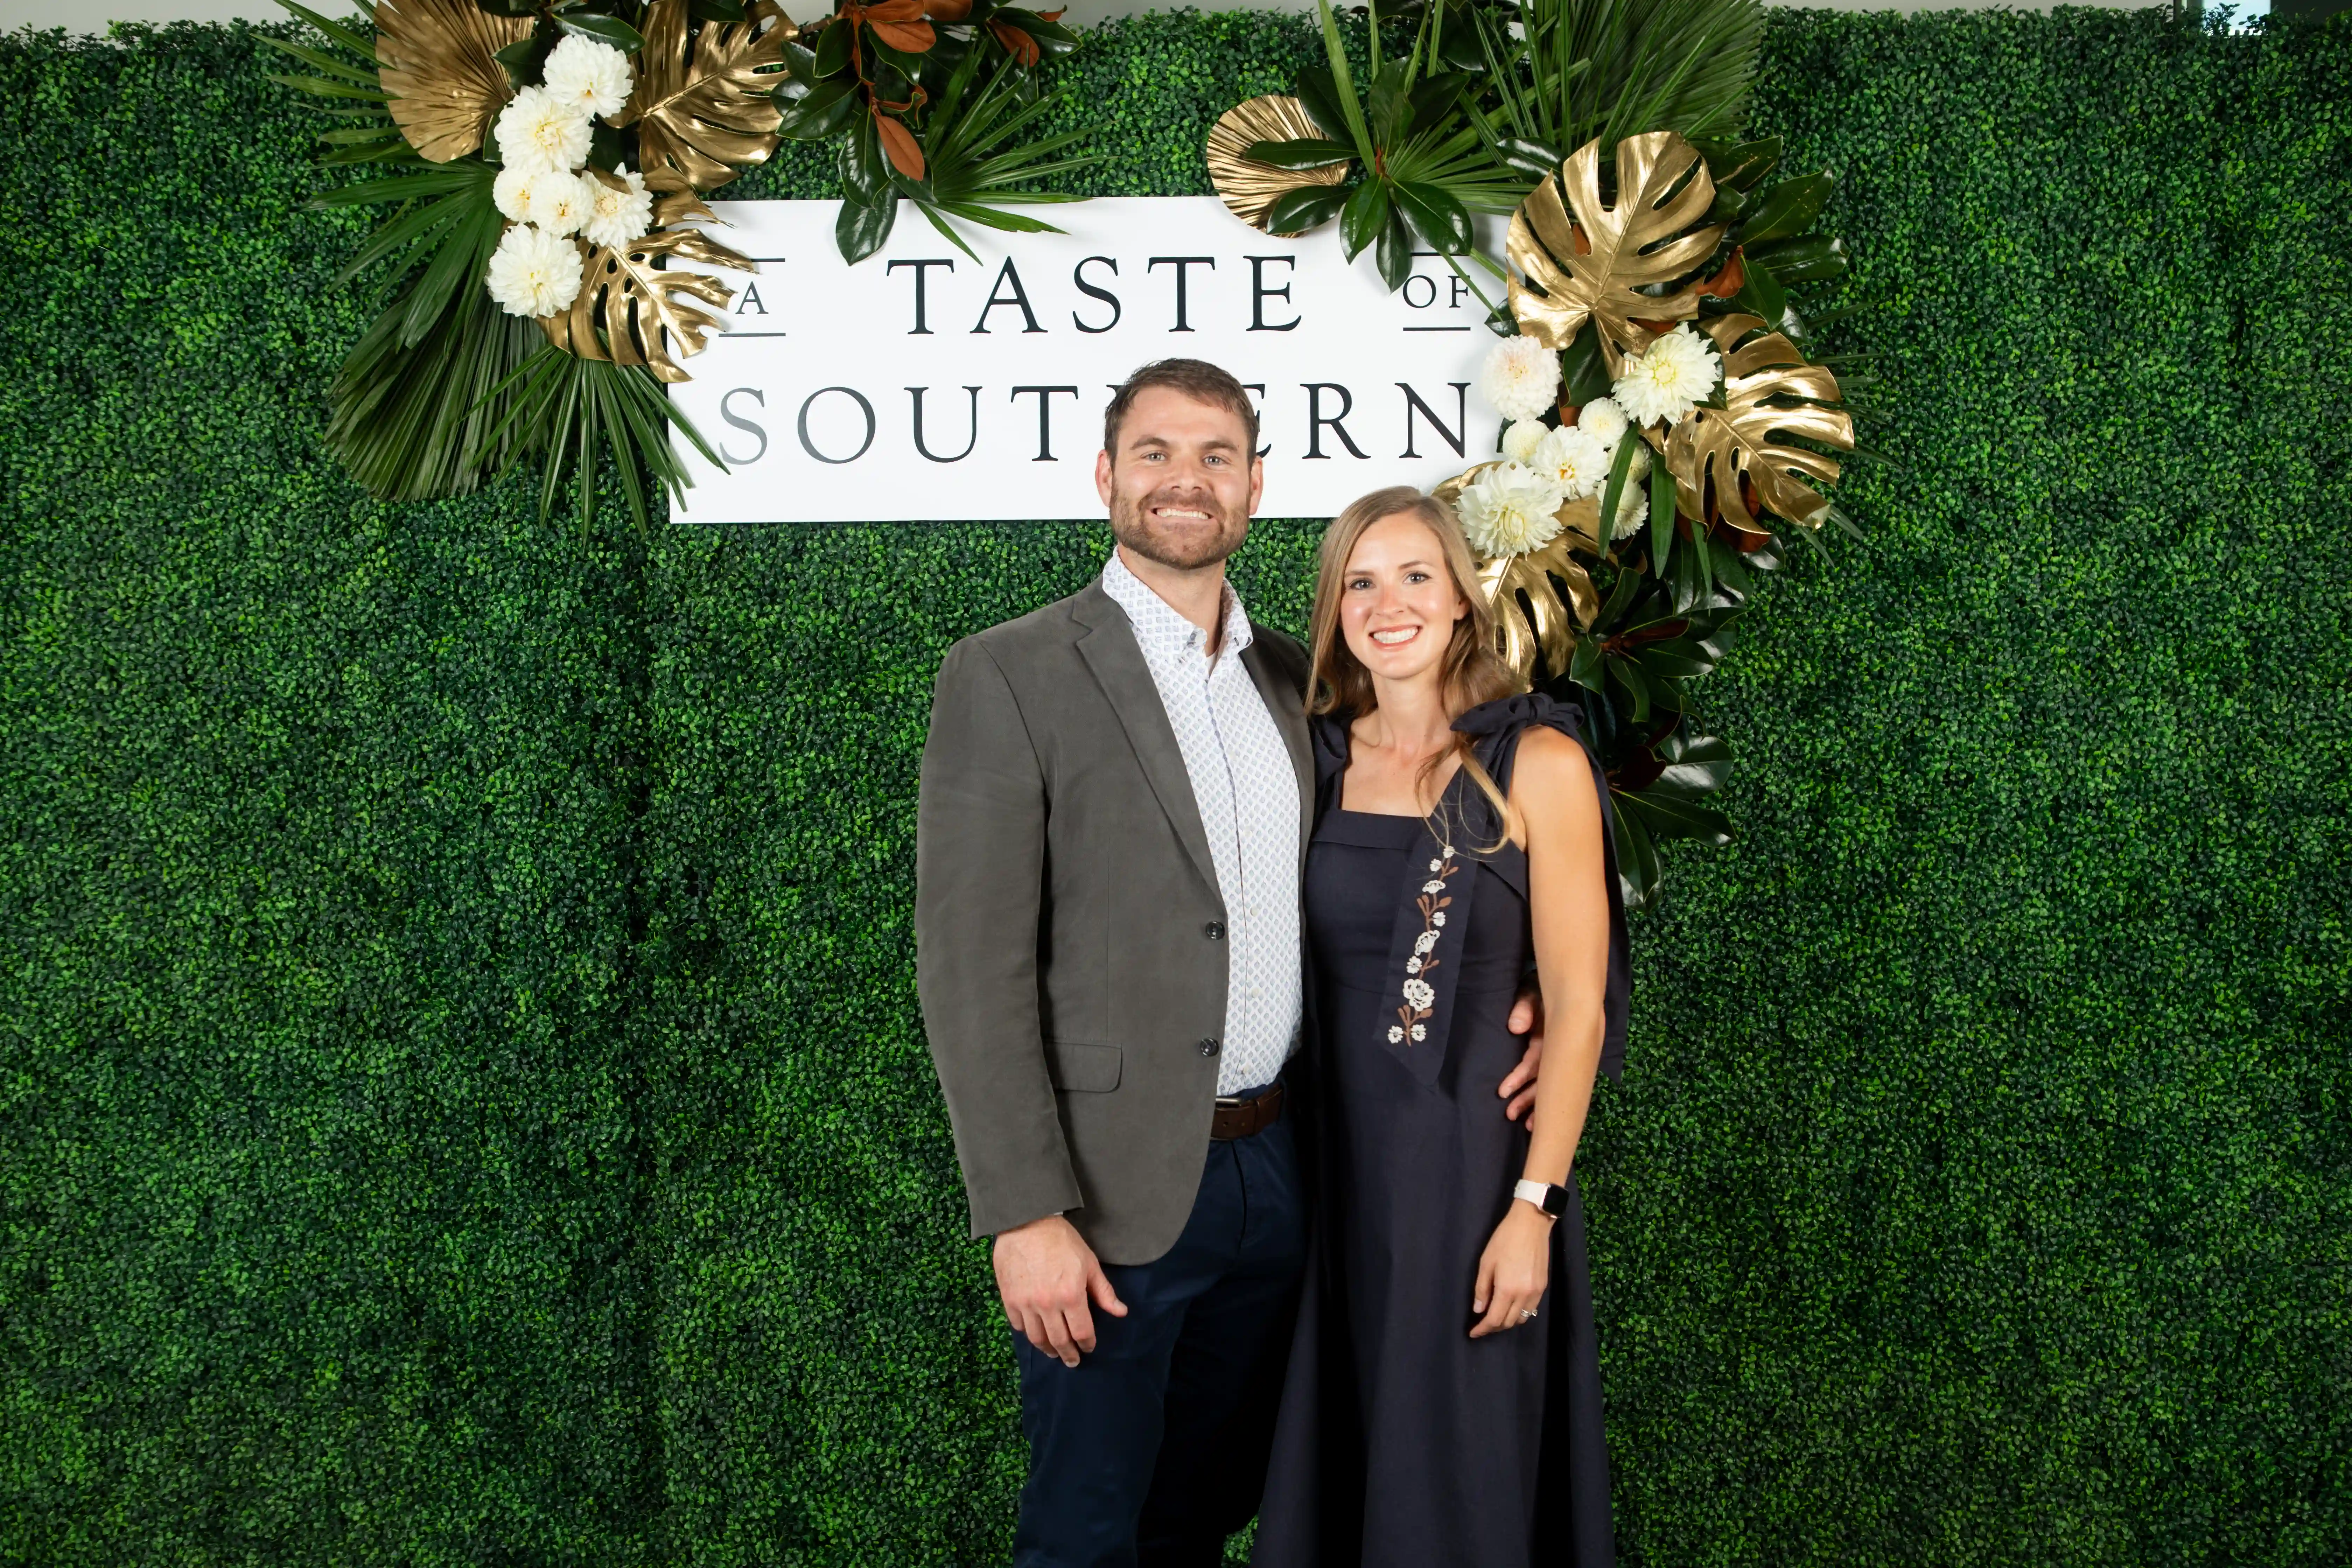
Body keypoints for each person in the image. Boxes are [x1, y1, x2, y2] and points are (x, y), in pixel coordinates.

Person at [915, 364, 1544, 1568]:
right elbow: (970, 966)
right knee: (1085, 1532)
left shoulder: (1299, 688)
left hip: (1284, 1177)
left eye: (1216, 457)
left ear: (1256, 488)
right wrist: (1024, 1212)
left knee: (1202, 1520)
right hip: (1106, 1201)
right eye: (1155, 453)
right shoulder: (1010, 673)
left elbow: (1392, 874)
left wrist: (1519, 991)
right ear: (1106, 476)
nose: (1184, 481)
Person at [1251, 486, 1631, 1568]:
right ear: (1334, 612)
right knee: (1339, 1470)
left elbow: (1580, 1007)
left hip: (1472, 1187)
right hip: (1327, 1177)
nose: (1389, 603)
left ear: (1463, 601)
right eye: (1360, 583)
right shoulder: (1314, 764)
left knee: (1453, 1486)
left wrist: (1534, 1212)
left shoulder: (1537, 765)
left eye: (1417, 575)